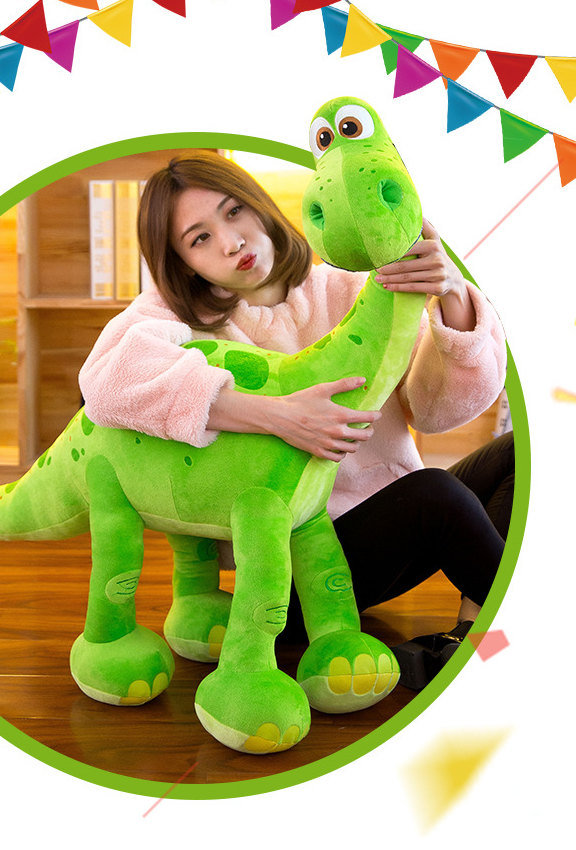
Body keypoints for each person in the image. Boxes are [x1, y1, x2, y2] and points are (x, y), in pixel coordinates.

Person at [78, 151, 513, 688]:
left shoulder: (347, 288)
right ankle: (524, 630)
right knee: (436, 494)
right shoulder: (175, 315)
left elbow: (434, 409)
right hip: (294, 565)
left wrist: (450, 291)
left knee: (516, 455)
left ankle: (468, 636)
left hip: (395, 522)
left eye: (234, 212)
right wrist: (275, 416)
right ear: (183, 262)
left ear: (259, 207)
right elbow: (105, 382)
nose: (231, 242)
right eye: (200, 238)